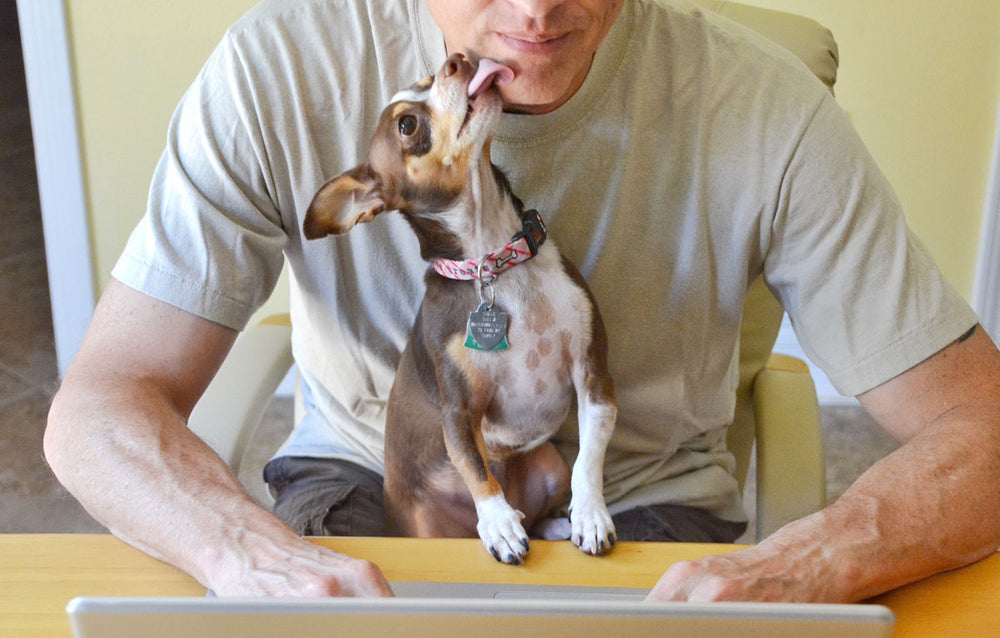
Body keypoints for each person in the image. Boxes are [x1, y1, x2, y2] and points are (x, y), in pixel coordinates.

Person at [44, 0, 1000, 603]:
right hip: (373, 477)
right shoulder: (274, 71)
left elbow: (984, 428)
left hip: (642, 498)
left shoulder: (768, 113)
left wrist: (818, 557)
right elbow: (98, 407)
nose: (537, 11)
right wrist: (235, 549)